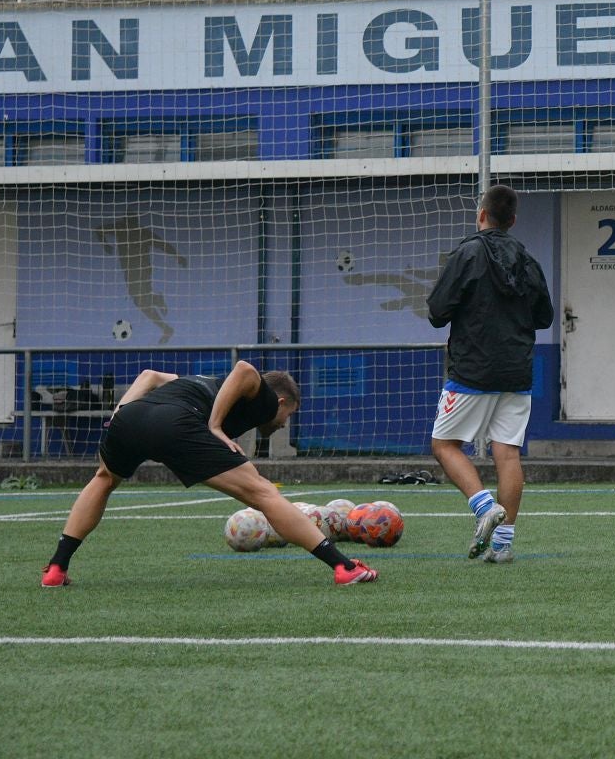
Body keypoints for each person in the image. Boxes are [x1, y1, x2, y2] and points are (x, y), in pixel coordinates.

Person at [41, 360, 377, 586]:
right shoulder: (263, 399)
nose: (284, 423)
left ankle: (56, 568)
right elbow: (244, 369)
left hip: (130, 419)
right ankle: (344, 567)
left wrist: (119, 413)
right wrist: (215, 426)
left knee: (103, 479)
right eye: (288, 414)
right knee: (264, 493)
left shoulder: (197, 382)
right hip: (177, 423)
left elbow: (148, 376)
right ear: (280, 401)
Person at [427, 184, 555, 565]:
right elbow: (545, 317)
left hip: (473, 370)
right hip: (517, 371)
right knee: (508, 454)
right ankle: (502, 545)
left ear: (481, 215)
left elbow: (437, 312)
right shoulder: (527, 260)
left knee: (444, 445)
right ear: (512, 220)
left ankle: (484, 506)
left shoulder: (467, 253)